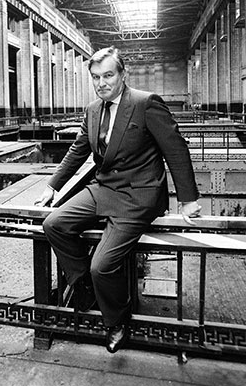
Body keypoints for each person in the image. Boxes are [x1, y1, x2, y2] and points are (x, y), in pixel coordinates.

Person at [35, 46, 201, 354]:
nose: (101, 83)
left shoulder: (145, 103)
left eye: (108, 75)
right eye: (96, 77)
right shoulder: (93, 110)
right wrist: (52, 185)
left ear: (122, 75)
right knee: (54, 223)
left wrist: (188, 199)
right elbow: (78, 150)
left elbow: (175, 149)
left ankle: (116, 321)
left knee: (103, 266)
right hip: (104, 188)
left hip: (138, 195)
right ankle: (83, 284)